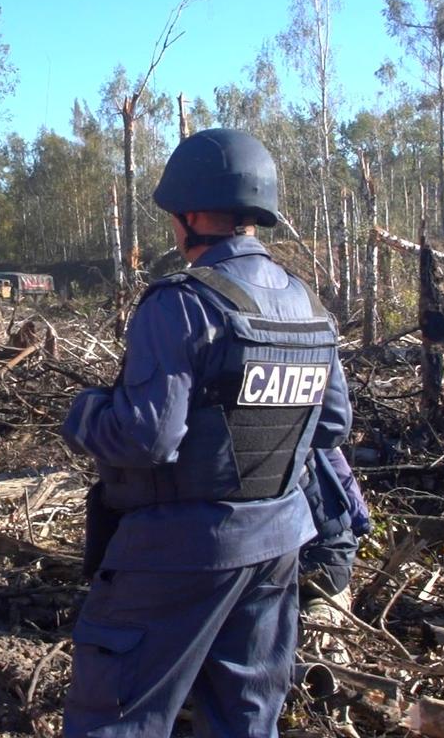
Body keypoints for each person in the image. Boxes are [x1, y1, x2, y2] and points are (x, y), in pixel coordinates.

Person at [61, 128, 351, 737]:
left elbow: (147, 438)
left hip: (177, 553)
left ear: (189, 213)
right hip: (275, 547)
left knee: (117, 715)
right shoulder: (306, 305)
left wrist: (85, 414)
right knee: (245, 721)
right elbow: (331, 424)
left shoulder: (183, 302)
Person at [298, 446, 371, 664]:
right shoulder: (325, 447)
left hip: (316, 567)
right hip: (339, 560)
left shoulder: (279, 454)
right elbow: (362, 521)